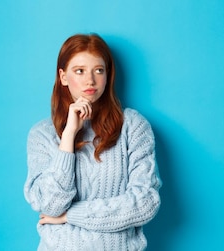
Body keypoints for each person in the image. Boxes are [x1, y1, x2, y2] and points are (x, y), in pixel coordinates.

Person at [24, 33, 162, 250]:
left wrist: (71, 215)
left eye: (99, 70)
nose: (90, 80)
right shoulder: (41, 135)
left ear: (108, 75)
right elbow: (50, 206)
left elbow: (145, 203)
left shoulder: (133, 126)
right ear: (63, 77)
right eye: (79, 71)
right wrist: (69, 135)